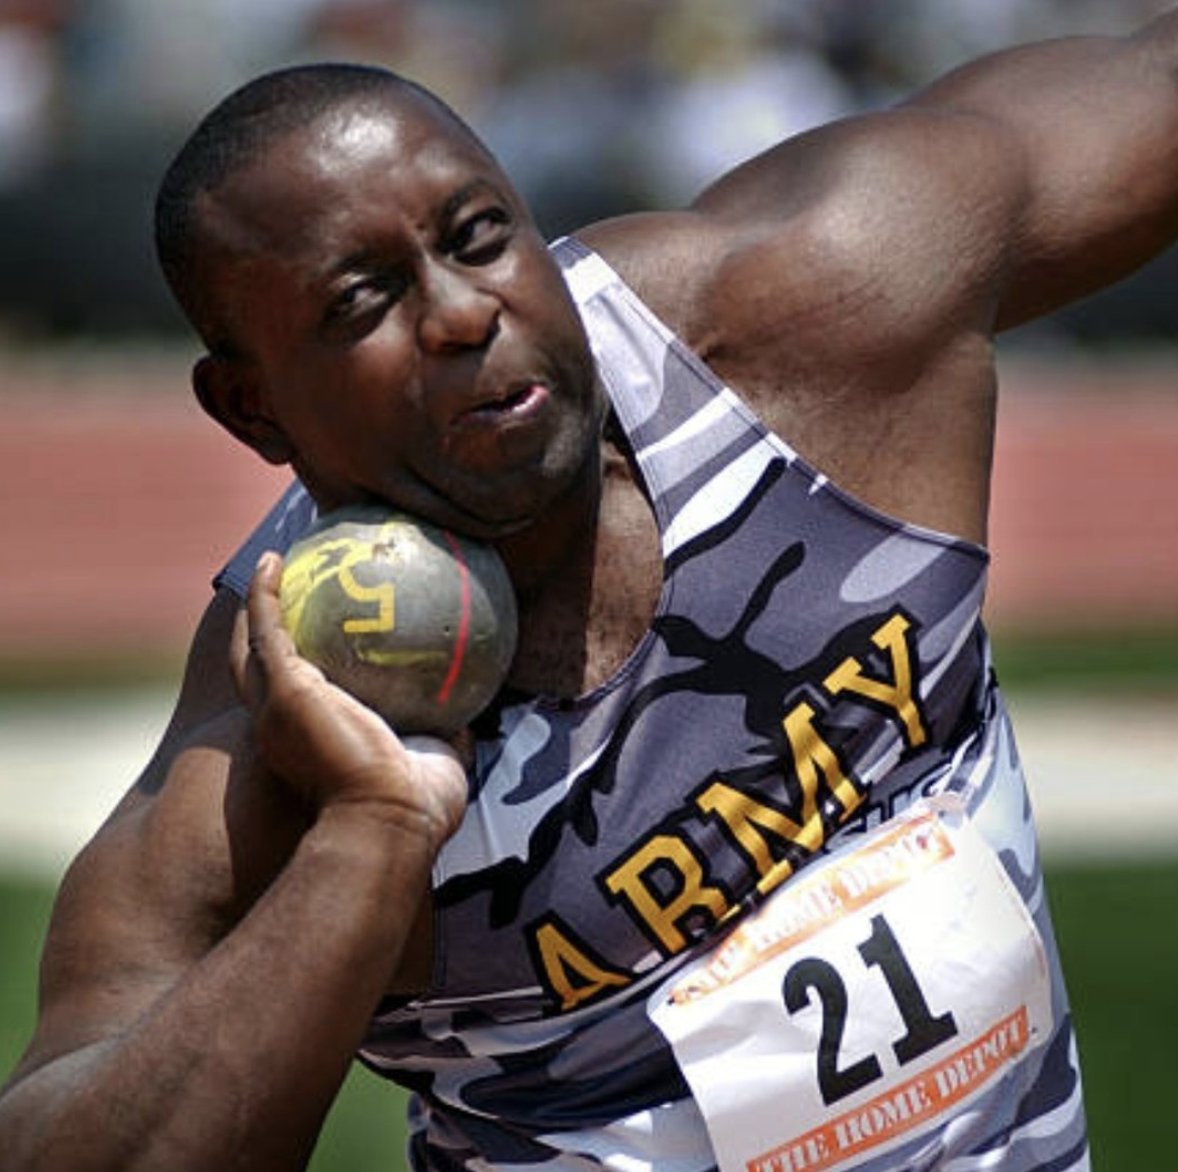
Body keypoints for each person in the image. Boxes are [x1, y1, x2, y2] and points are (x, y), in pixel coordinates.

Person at [4, 11, 1178, 1171]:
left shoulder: (806, 330)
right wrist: (370, 836)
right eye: (361, 301)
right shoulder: (277, 726)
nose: (462, 312)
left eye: (476, 236)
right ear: (251, 408)